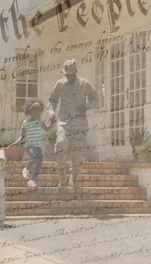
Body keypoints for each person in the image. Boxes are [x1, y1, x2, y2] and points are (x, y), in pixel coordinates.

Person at [47, 59, 99, 194]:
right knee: (60, 144)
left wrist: (87, 106)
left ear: (75, 72)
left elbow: (95, 99)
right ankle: (62, 174)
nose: (68, 77)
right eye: (67, 75)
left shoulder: (84, 84)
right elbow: (52, 100)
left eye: (71, 75)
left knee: (78, 153)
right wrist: (52, 112)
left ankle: (74, 179)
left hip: (80, 123)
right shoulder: (60, 84)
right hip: (64, 121)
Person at [10, 99, 56, 190]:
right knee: (35, 157)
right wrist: (14, 143)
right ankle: (26, 169)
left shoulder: (39, 121)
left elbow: (47, 129)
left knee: (39, 164)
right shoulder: (25, 123)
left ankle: (32, 180)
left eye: (39, 111)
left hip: (38, 146)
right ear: (31, 111)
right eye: (37, 111)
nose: (39, 113)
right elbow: (22, 137)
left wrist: (52, 123)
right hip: (29, 146)